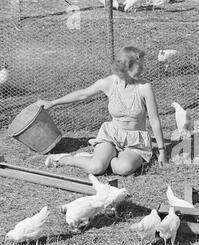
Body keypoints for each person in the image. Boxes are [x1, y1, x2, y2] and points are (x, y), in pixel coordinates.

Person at [36, 46, 168, 176]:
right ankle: (66, 159)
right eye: (140, 65)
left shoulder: (145, 87)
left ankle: (100, 157)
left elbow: (154, 120)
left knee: (123, 168)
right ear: (127, 66)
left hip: (135, 142)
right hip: (111, 135)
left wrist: (162, 151)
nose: (143, 68)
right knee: (96, 168)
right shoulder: (109, 83)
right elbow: (82, 94)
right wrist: (52, 103)